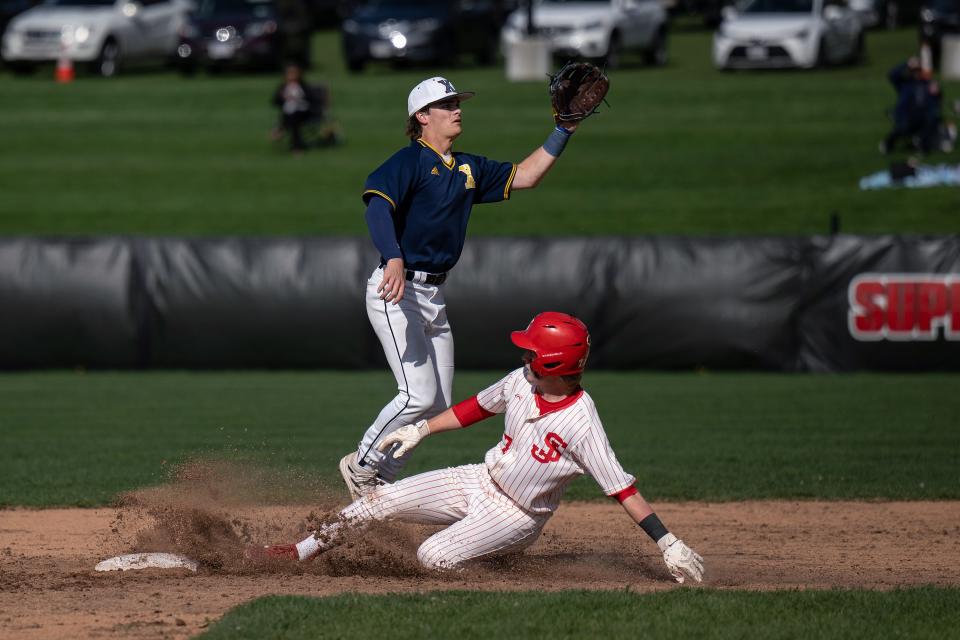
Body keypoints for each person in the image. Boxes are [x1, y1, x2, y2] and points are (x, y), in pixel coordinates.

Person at [252, 312, 705, 582]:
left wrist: (668, 543)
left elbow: (622, 488)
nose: (523, 356)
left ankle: (499, 564)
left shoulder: (582, 422)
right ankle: (299, 553)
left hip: (518, 516)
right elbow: (477, 407)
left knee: (434, 558)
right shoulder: (522, 382)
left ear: (552, 361)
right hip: (479, 479)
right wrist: (421, 431)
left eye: (531, 351)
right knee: (378, 501)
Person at [338, 76, 585, 499]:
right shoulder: (409, 161)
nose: (457, 109)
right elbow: (378, 207)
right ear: (421, 116)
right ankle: (361, 465)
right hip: (396, 289)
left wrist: (563, 130)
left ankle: (384, 477)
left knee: (437, 404)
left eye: (457, 102)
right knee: (416, 395)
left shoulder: (467, 168)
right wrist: (393, 255)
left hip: (433, 295)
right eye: (446, 104)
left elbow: (525, 176)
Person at [881, 57, 942, 155]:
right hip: (906, 114)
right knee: (902, 127)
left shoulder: (927, 84)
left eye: (918, 71)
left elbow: (936, 101)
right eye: (914, 71)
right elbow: (892, 75)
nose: (916, 73)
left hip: (922, 115)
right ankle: (888, 143)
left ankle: (922, 146)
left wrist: (938, 93)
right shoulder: (905, 83)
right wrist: (906, 64)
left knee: (932, 120)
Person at [271, 64, 316, 152]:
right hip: (288, 114)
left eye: (294, 73)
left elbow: (311, 100)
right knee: (293, 119)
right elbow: (275, 101)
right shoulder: (283, 87)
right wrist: (283, 97)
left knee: (294, 117)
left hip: (303, 113)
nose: (292, 76)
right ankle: (296, 147)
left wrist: (299, 98)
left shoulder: (303, 86)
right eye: (290, 73)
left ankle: (281, 129)